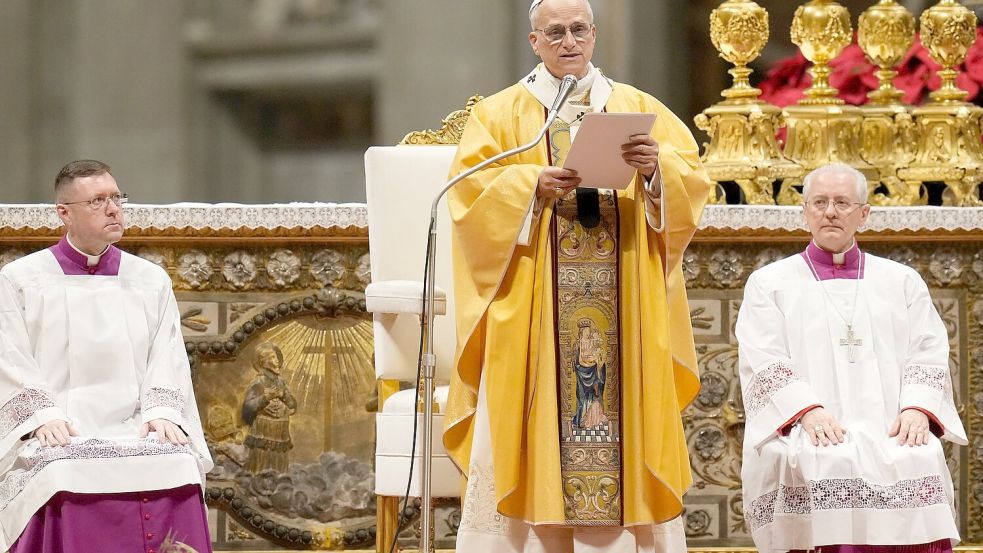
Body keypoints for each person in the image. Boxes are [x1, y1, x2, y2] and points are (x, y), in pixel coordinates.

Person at [441, 0, 711, 550]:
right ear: (534, 42)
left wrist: (656, 170)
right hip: (535, 307)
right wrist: (527, 187)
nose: (570, 41)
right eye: (556, 32)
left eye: (580, 29)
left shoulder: (637, 106)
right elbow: (467, 200)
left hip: (625, 294)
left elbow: (692, 183)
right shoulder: (499, 115)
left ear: (594, 34)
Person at [736, 163, 966, 553]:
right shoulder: (771, 283)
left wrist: (916, 409)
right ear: (804, 211)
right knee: (828, 461)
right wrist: (806, 411)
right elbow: (764, 356)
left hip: (891, 423)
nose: (830, 211)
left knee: (919, 457)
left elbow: (928, 349)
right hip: (812, 424)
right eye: (820, 202)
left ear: (864, 214)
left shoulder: (900, 280)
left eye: (842, 202)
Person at [0, 160, 213, 552]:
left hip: (136, 423)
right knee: (59, 470)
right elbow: (8, 356)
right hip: (62, 426)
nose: (114, 209)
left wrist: (162, 411)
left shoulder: (149, 279)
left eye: (117, 197)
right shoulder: (22, 279)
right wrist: (41, 415)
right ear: (64, 213)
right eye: (97, 201)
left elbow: (167, 353)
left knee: (179, 462)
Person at [242, 341, 297, 473]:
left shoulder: (281, 382)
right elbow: (248, 407)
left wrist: (283, 396)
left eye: (277, 357)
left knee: (279, 464)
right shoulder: (258, 382)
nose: (277, 361)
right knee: (263, 463)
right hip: (263, 431)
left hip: (280, 432)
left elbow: (293, 406)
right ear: (263, 361)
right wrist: (265, 398)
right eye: (272, 357)